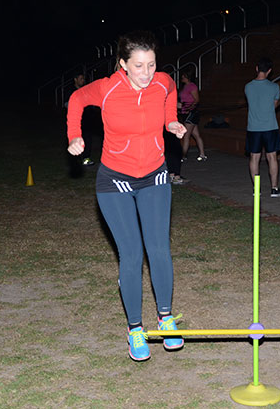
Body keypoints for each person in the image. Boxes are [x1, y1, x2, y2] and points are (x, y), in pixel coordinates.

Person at [67, 30, 188, 362]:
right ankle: (135, 330)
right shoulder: (107, 88)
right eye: (139, 66)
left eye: (151, 64)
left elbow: (170, 92)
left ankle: (165, 320)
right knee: (132, 255)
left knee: (159, 249)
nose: (147, 73)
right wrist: (74, 136)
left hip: (154, 176)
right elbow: (76, 99)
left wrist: (172, 121)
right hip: (115, 181)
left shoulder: (162, 82)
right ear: (123, 64)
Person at [244, 57, 280, 197]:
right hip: (270, 127)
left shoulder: (248, 86)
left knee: (254, 158)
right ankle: (274, 188)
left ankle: (256, 189)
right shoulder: (274, 87)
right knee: (272, 157)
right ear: (269, 71)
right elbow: (274, 106)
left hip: (253, 127)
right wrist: (279, 97)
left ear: (257, 68)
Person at [178, 69, 206, 162]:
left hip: (191, 113)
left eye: (183, 76)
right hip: (184, 112)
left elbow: (196, 100)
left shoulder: (192, 86)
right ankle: (202, 154)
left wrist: (189, 108)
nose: (182, 78)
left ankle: (183, 156)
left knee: (186, 135)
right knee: (196, 134)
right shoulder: (184, 87)